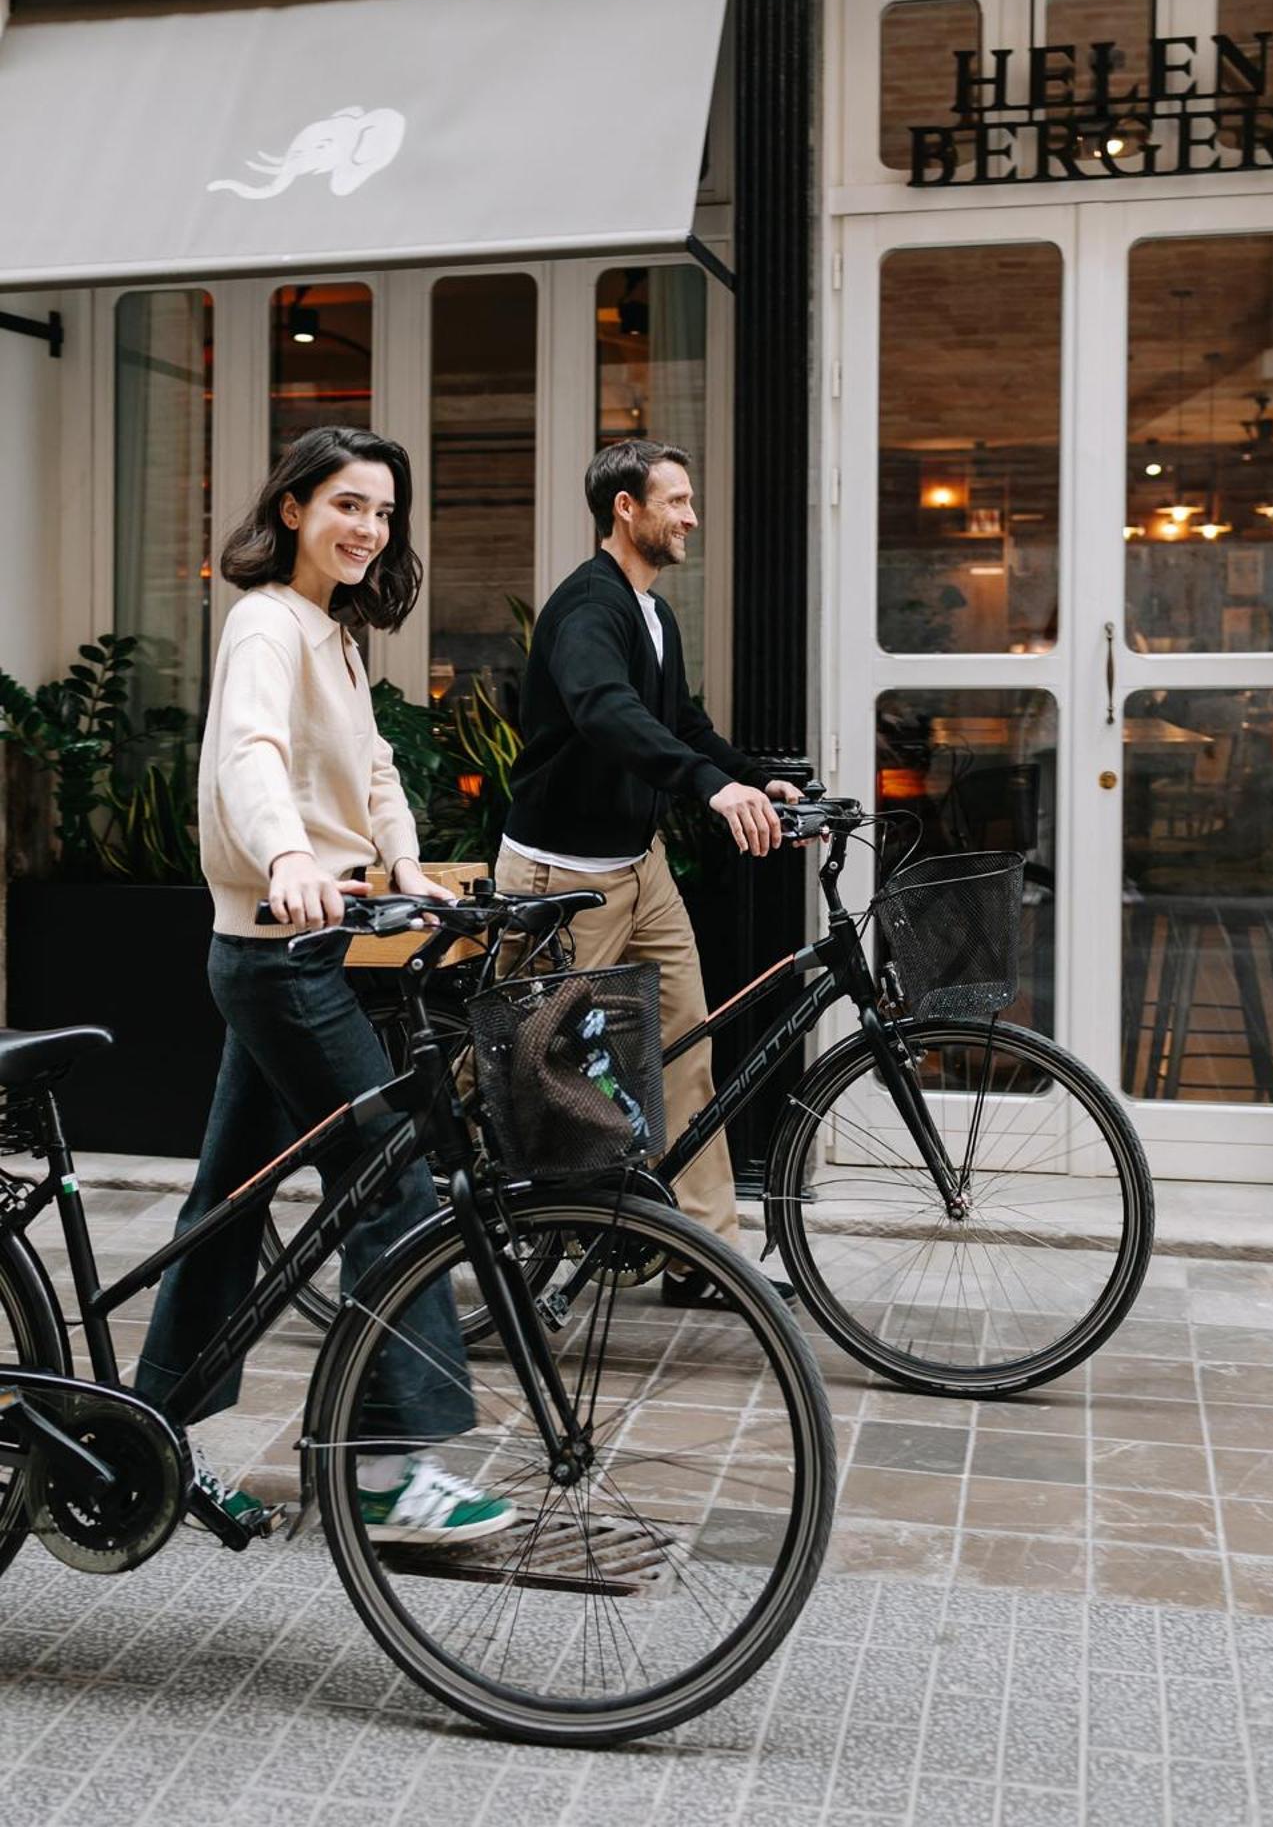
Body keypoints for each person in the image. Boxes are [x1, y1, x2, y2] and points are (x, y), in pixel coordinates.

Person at [136, 425, 513, 1546]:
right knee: (392, 1179)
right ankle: (392, 1469)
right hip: (276, 943)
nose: (368, 528)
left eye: (385, 512)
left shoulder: (336, 636)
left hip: (309, 943)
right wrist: (288, 855)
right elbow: (248, 752)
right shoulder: (263, 622)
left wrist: (403, 863)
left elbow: (376, 765)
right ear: (294, 506)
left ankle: (149, 1425)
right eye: (349, 503)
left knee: (231, 1205)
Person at [495, 437, 803, 1307]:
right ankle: (492, 1203)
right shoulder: (587, 608)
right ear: (624, 508)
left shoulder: (654, 612)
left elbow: (684, 721)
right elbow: (606, 711)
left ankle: (700, 1254)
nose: (691, 517)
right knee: (554, 1070)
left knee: (683, 1049)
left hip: (639, 867)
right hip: (564, 880)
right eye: (675, 501)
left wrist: (746, 775)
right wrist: (706, 787)